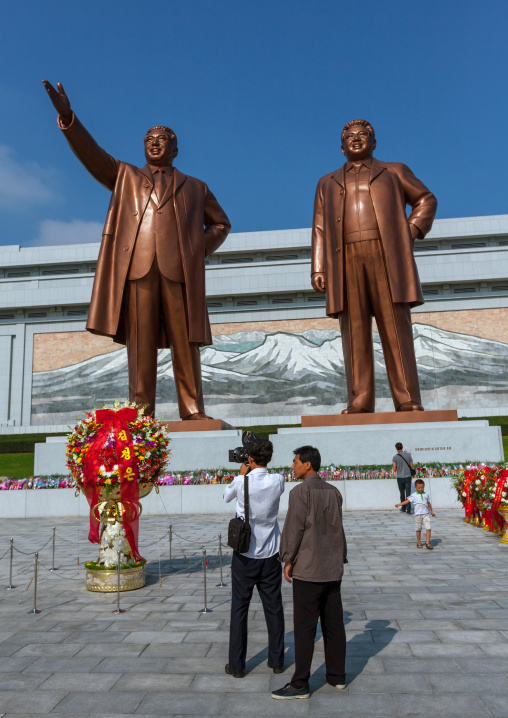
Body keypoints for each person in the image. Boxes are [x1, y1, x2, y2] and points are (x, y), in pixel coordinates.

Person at [42, 81, 231, 420]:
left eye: (162, 141)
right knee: (140, 346)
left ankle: (192, 409)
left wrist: (194, 250)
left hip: (179, 272)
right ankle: (141, 414)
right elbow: (93, 155)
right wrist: (69, 118)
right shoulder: (125, 176)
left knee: (185, 343)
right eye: (149, 140)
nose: (154, 144)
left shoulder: (196, 187)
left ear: (175, 149)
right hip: (139, 268)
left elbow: (221, 224)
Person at [311, 119, 437, 414]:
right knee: (353, 330)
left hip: (385, 255)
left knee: (395, 326)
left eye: (363, 135)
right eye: (350, 137)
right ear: (341, 147)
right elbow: (319, 227)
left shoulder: (394, 171)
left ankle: (407, 397)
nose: (356, 140)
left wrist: (410, 231)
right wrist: (319, 267)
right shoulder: (326, 182)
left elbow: (425, 199)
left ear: (374, 142)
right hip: (345, 259)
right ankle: (360, 399)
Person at [272, 446, 347, 700]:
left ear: (307, 465)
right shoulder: (334, 492)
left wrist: (288, 559)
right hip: (332, 568)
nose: (292, 467)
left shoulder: (300, 492)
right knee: (333, 625)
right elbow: (338, 530)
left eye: (294, 462)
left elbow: (294, 529)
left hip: (309, 569)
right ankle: (337, 676)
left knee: (304, 628)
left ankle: (300, 683)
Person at [223, 438, 285, 678]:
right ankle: (277, 661)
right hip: (271, 553)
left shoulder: (241, 481)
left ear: (249, 459)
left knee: (239, 609)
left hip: (245, 554)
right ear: (269, 459)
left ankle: (237, 666)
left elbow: (226, 497)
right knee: (274, 609)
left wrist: (241, 475)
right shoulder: (278, 480)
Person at [395, 479, 436, 549]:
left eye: (422, 487)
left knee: (428, 527)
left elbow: (429, 503)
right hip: (418, 515)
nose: (421, 489)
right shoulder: (413, 495)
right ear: (416, 487)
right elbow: (407, 501)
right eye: (419, 488)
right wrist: (400, 504)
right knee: (418, 529)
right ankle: (419, 541)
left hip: (426, 514)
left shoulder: (426, 494)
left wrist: (431, 511)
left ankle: (427, 543)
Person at [393, 442, 414, 514]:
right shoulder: (408, 455)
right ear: (402, 447)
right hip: (408, 476)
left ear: (396, 448)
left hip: (400, 477)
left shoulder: (395, 457)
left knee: (402, 493)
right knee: (408, 493)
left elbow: (394, 468)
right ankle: (408, 510)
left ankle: (403, 508)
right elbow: (411, 466)